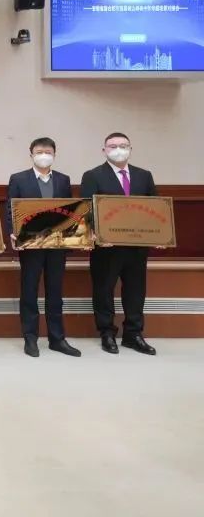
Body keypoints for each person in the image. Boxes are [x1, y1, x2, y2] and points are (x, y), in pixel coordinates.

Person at [80, 132, 159, 356]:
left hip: (137, 246)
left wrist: (159, 236)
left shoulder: (144, 176)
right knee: (103, 290)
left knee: (136, 290)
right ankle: (107, 332)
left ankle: (133, 334)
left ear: (130, 149)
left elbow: (155, 208)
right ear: (104, 150)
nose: (118, 150)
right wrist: (94, 235)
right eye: (113, 146)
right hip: (106, 248)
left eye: (123, 146)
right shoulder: (93, 175)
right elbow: (86, 210)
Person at [6, 137, 81, 358]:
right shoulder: (18, 179)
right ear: (31, 154)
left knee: (55, 292)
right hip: (31, 244)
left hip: (57, 244)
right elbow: (11, 209)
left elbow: (69, 211)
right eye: (39, 152)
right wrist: (13, 232)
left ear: (54, 155)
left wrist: (74, 237)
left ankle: (57, 338)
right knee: (29, 291)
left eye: (48, 152)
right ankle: (30, 338)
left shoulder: (63, 180)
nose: (43, 155)